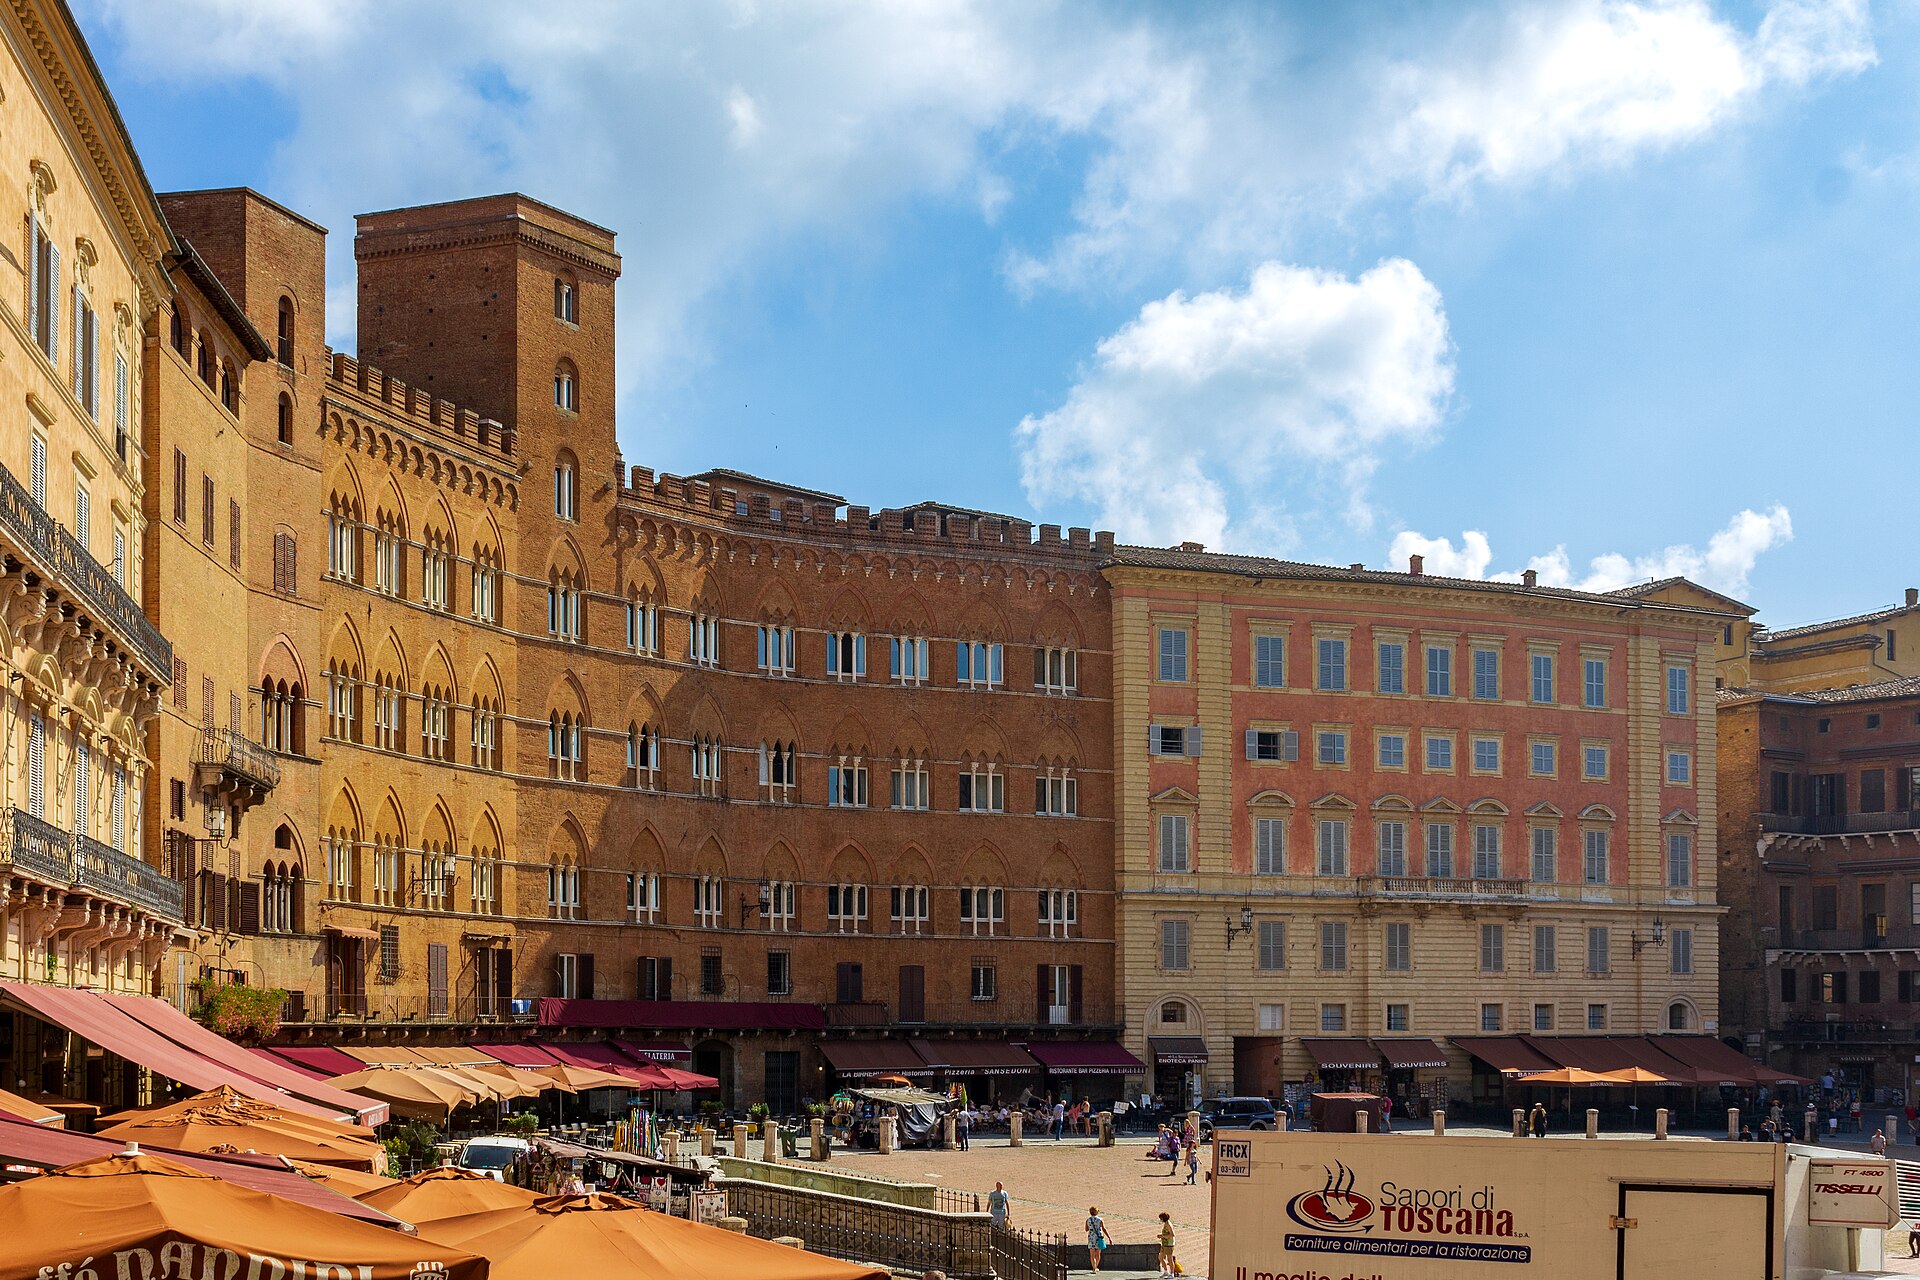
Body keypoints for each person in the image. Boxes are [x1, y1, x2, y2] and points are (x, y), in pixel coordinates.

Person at [1086, 1207, 1108, 1273]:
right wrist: (1109, 1237)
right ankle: (1095, 1267)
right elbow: (1104, 1229)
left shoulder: (1088, 1220)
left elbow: (1086, 1229)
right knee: (1098, 1254)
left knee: (1092, 1255)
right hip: (1099, 1237)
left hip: (1091, 1237)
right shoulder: (1100, 1220)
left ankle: (1094, 1268)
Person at [1158, 1212, 1177, 1278]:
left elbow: (1172, 1234)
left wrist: (1162, 1236)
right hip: (1164, 1244)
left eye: (1161, 1218)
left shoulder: (1168, 1225)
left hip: (1169, 1244)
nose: (1160, 1220)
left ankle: (1172, 1273)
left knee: (1169, 1259)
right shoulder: (1165, 1224)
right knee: (1161, 1257)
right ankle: (1166, 1271)